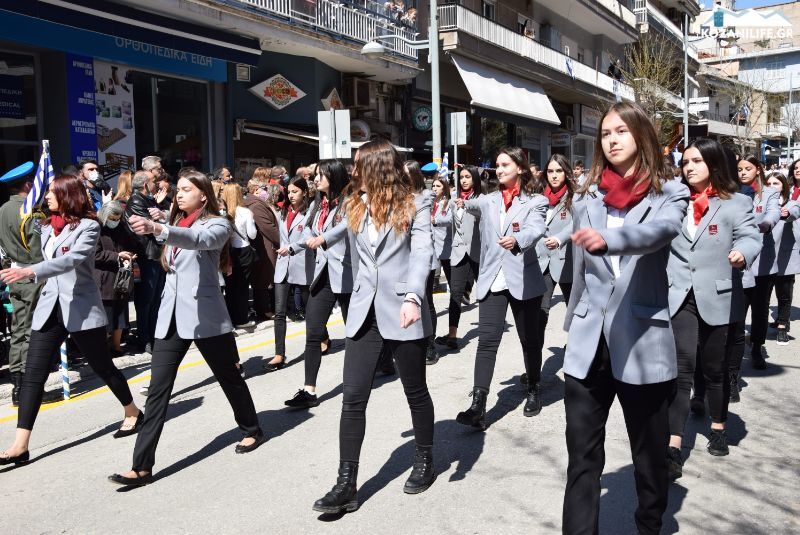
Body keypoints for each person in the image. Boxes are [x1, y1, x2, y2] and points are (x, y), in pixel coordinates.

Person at [561, 102, 689, 535]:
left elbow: (658, 233)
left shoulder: (669, 194)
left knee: (649, 458)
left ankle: (649, 526)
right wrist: (572, 322)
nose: (611, 140)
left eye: (621, 131)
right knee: (582, 459)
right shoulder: (586, 197)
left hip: (641, 342)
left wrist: (610, 239)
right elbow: (580, 271)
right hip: (588, 344)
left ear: (641, 135)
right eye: (605, 133)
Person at [108, 171, 264, 486]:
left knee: (229, 377)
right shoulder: (175, 222)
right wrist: (142, 222)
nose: (178, 194)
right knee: (158, 390)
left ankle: (252, 428)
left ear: (203, 194)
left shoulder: (217, 224)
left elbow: (199, 241)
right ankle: (141, 466)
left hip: (205, 316)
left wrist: (160, 228)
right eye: (177, 189)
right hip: (171, 318)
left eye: (186, 189)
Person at [312, 139, 435, 515]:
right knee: (352, 397)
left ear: (377, 167)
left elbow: (422, 252)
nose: (352, 171)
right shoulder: (353, 204)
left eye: (357, 164)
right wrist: (313, 241)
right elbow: (341, 234)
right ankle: (346, 484)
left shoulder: (415, 203)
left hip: (403, 308)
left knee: (415, 390)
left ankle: (425, 459)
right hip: (364, 310)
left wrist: (414, 296)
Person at [0, 175, 143, 466]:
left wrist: (30, 271)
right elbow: (27, 238)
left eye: (52, 192)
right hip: (49, 307)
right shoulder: (45, 226)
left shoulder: (89, 227)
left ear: (67, 195)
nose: (47, 197)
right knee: (33, 375)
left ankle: (132, 411)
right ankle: (20, 445)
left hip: (81, 308)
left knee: (103, 368)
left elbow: (72, 260)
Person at [665, 139, 761, 480]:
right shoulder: (674, 201)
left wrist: (742, 252)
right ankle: (673, 445)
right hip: (680, 294)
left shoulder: (736, 203)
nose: (689, 167)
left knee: (715, 368)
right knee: (681, 369)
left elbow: (751, 236)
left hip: (719, 295)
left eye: (697, 161)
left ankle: (718, 426)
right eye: (685, 162)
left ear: (714, 164)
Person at [454, 147, 548, 428]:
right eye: (497, 164)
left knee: (529, 340)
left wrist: (518, 240)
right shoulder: (489, 200)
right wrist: (459, 198)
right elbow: (470, 203)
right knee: (487, 341)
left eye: (505, 164)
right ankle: (478, 406)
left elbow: (536, 229)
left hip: (523, 279)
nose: (500, 169)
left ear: (520, 168)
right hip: (492, 279)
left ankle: (533, 388)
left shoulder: (536, 201)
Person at [284, 160, 352, 408]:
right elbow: (307, 231)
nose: (315, 179)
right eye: (315, 175)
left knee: (356, 331)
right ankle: (308, 390)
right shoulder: (317, 204)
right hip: (323, 274)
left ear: (334, 176)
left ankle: (382, 362)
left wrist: (323, 238)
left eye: (320, 175)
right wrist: (293, 247)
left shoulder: (350, 201)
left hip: (348, 274)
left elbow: (345, 227)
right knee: (313, 331)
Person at [0, 162, 45, 407]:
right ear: (28, 185)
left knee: (18, 329)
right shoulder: (31, 212)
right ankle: (26, 387)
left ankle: (17, 383)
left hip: (12, 275)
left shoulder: (2, 210)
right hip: (31, 275)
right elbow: (37, 250)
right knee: (31, 331)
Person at [732, 156, 780, 373]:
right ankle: (734, 354)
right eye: (739, 169)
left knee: (760, 309)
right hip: (739, 260)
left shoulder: (769, 193)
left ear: (758, 170)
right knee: (738, 310)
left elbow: (773, 212)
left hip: (763, 261)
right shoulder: (732, 191)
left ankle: (757, 347)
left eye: (748, 168)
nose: (743, 172)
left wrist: (767, 223)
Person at [532, 154, 575, 383]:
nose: (554, 175)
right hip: (543, 262)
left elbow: (576, 223)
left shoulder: (575, 196)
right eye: (550, 171)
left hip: (568, 262)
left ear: (566, 172)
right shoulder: (539, 196)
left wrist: (559, 239)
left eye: (559, 171)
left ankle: (578, 364)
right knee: (539, 316)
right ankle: (534, 371)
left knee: (576, 315)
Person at [266, 175, 314, 372]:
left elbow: (308, 237)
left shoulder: (310, 211)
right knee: (280, 312)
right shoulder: (282, 211)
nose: (291, 195)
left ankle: (323, 338)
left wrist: (291, 248)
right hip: (283, 265)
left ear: (304, 192)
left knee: (310, 309)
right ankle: (279, 353)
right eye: (289, 192)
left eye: (295, 191)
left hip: (302, 264)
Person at [435, 165, 484, 351]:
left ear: (475, 179)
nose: (463, 180)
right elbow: (452, 222)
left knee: (485, 292)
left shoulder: (482, 199)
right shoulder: (454, 201)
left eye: (467, 177)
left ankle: (489, 329)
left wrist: (467, 205)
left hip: (477, 251)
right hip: (458, 252)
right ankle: (452, 335)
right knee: (455, 294)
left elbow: (480, 212)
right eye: (461, 177)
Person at [125, 169, 163, 354]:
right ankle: (145, 338)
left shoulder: (149, 199)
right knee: (146, 300)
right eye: (154, 180)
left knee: (156, 299)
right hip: (147, 255)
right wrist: (160, 217)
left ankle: (154, 335)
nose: (157, 183)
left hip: (156, 254)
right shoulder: (136, 200)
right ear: (145, 184)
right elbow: (149, 226)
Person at [93, 200, 138, 357]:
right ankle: (103, 350)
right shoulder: (96, 228)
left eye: (118, 218)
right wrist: (117, 256)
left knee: (120, 315)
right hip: (104, 278)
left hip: (122, 277)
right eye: (112, 218)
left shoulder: (122, 227)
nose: (115, 222)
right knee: (106, 317)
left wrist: (130, 254)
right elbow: (95, 254)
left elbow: (131, 244)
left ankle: (116, 347)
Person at [765, 170, 800, 346]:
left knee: (784, 294)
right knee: (764, 295)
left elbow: (793, 213)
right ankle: (762, 325)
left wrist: (784, 213)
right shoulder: (761, 203)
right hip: (765, 256)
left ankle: (782, 326)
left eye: (776, 183)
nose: (772, 187)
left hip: (785, 256)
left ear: (784, 186)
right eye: (769, 184)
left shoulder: (791, 203)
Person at [243, 169, 280, 321]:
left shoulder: (256, 203)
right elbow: (267, 227)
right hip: (264, 246)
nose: (267, 191)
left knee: (263, 279)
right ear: (256, 190)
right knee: (263, 280)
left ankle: (265, 309)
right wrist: (282, 240)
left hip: (264, 245)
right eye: (264, 188)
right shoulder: (256, 205)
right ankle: (264, 311)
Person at [220, 183, 257, 327]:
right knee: (242, 286)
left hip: (228, 251)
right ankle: (241, 319)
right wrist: (252, 220)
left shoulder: (222, 213)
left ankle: (230, 317)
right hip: (243, 250)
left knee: (230, 287)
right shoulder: (245, 212)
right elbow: (252, 235)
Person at [426, 175, 453, 364]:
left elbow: (449, 220)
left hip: (447, 249)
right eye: (433, 186)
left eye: (438, 186)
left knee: (454, 289)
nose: (435, 188)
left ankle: (452, 333)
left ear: (445, 188)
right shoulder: (429, 203)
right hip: (432, 250)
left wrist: (435, 220)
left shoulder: (448, 203)